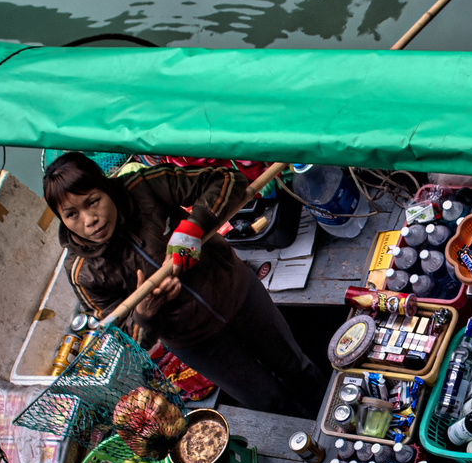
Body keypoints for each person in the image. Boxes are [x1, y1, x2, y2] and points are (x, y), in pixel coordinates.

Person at [43, 153, 324, 416]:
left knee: (296, 367)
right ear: (62, 220)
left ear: (107, 188)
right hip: (195, 342)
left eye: (93, 201)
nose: (89, 220)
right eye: (71, 215)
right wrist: (145, 313)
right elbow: (125, 340)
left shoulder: (143, 186)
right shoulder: (83, 273)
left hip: (238, 293)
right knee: (264, 399)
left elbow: (227, 181)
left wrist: (192, 228)